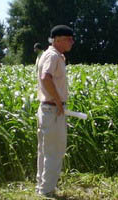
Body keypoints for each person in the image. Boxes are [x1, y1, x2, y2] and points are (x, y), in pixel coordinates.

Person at [36, 25, 74, 197]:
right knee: (55, 151)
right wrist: (59, 102)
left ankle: (42, 186)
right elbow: (46, 77)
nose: (72, 42)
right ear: (57, 39)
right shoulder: (53, 56)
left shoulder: (50, 54)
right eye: (69, 38)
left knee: (45, 151)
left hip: (47, 109)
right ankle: (47, 190)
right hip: (53, 110)